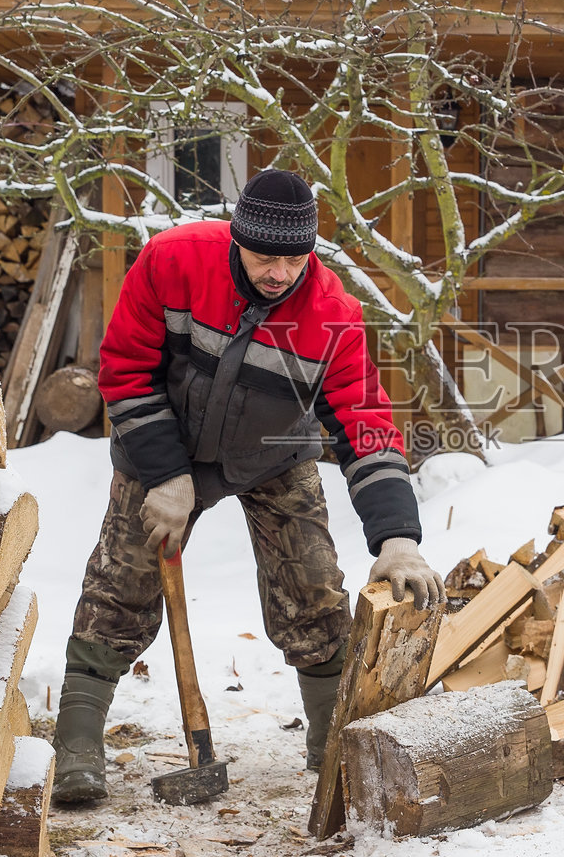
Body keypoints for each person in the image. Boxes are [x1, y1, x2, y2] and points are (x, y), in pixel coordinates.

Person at [51, 167, 445, 805]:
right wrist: (166, 474)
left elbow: (365, 423)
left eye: (295, 260)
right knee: (122, 581)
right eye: (265, 257)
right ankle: (76, 742)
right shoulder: (173, 261)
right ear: (237, 238)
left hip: (272, 453)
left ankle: (330, 741)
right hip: (161, 444)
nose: (280, 274)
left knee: (313, 587)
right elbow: (124, 369)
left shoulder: (333, 316)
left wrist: (398, 537)